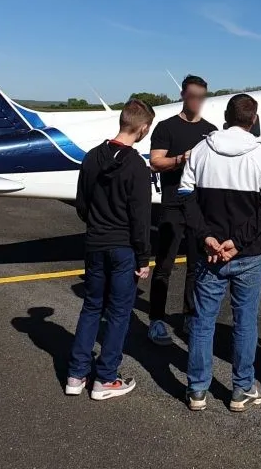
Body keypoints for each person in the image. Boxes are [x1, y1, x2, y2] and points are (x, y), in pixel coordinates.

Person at [179, 93, 261, 412]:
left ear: (226, 115)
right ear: (253, 119)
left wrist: (207, 236)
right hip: (247, 255)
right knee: (245, 321)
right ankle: (242, 388)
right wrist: (237, 242)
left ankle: (197, 390)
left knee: (202, 321)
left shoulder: (200, 151)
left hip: (208, 254)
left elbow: (185, 198)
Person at [65, 98, 156, 400]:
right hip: (123, 248)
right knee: (118, 313)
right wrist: (143, 257)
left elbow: (81, 204)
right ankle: (105, 378)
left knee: (91, 307)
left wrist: (96, 224)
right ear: (142, 129)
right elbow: (141, 218)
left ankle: (76, 374)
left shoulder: (91, 157)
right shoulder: (136, 167)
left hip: (95, 243)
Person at [146, 74, 217, 345]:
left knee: (196, 265)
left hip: (198, 207)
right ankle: (156, 319)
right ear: (183, 96)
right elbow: (155, 162)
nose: (196, 101)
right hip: (173, 204)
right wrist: (181, 159)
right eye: (192, 96)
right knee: (164, 264)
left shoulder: (211, 130)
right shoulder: (166, 127)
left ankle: (189, 315)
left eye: (201, 96)